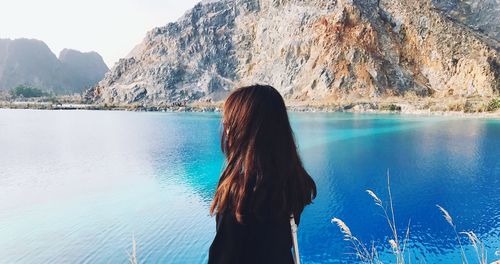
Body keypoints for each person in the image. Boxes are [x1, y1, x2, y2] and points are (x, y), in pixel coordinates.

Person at [208, 85, 317, 264]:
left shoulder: (239, 193)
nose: (226, 131)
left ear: (243, 129)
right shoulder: (294, 183)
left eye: (229, 124)